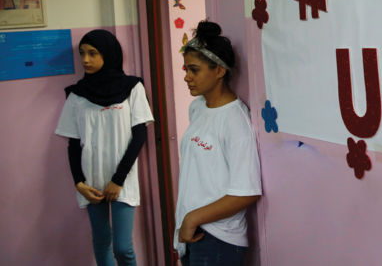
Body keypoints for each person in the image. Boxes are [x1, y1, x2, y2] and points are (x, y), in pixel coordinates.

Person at [55, 30, 154, 266]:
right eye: (82, 54)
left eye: (93, 53)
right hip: (91, 183)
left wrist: (118, 180)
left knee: (122, 247)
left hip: (122, 181)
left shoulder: (132, 88)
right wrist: (79, 183)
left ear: (108, 54)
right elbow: (73, 144)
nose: (85, 60)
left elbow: (139, 135)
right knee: (100, 242)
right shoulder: (77, 95)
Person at [174, 21, 262, 265]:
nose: (186, 77)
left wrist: (192, 219)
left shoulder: (235, 121)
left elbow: (246, 192)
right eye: (186, 69)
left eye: (194, 70)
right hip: (193, 232)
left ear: (219, 71)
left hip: (219, 240)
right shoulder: (198, 107)